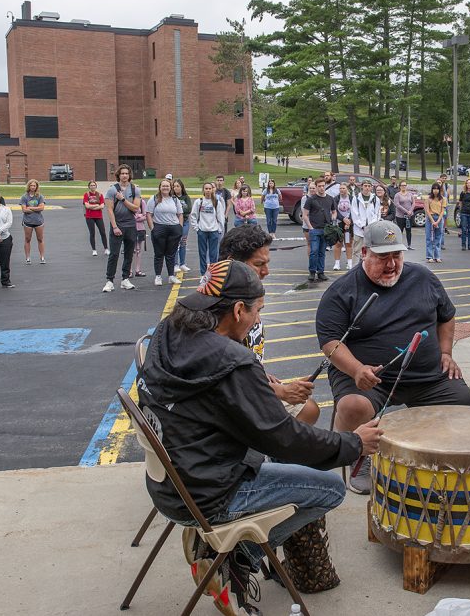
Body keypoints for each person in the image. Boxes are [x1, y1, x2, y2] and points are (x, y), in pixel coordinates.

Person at [138, 259, 383, 614]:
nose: (257, 320)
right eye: (257, 312)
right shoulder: (232, 361)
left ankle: (222, 550)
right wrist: (354, 443)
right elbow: (284, 439)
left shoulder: (167, 331)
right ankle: (233, 555)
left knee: (280, 459)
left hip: (168, 483)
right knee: (330, 490)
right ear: (238, 310)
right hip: (209, 494)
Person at [317, 220, 470, 494]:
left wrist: (446, 352)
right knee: (355, 406)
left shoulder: (423, 278)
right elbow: (330, 343)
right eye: (382, 257)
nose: (391, 264)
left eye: (396, 256)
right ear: (364, 253)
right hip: (370, 379)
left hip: (425, 377)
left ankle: (430, 453)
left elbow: (446, 317)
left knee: (460, 399)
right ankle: (358, 456)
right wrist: (355, 369)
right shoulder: (342, 291)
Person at [220, 225, 320, 425]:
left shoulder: (248, 293)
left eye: (267, 263)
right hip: (230, 406)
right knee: (306, 417)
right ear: (232, 263)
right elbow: (225, 378)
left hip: (251, 384)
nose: (266, 271)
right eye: (258, 264)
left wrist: (260, 373)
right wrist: (281, 391)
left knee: (308, 409)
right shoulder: (219, 308)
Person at [103, 165, 141, 293]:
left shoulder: (135, 189)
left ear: (129, 175)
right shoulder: (112, 190)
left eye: (127, 173)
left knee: (129, 253)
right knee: (114, 254)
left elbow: (135, 208)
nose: (124, 175)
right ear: (118, 175)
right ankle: (109, 281)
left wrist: (123, 199)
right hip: (117, 225)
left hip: (131, 225)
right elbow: (109, 209)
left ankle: (125, 279)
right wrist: (114, 227)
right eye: (122, 173)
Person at [147, 178, 184, 286]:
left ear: (170, 187)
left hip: (174, 228)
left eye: (167, 186)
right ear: (160, 187)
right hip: (159, 228)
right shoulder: (154, 198)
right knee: (159, 254)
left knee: (171, 254)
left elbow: (180, 214)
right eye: (163, 186)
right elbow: (149, 214)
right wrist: (152, 228)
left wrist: (180, 227)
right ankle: (158, 276)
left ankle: (171, 276)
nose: (165, 188)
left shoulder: (175, 200)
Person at [302, 177, 335, 282]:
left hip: (325, 229)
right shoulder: (311, 199)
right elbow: (305, 215)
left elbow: (334, 211)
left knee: (322, 252)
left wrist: (333, 218)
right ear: (315, 187)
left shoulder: (330, 199)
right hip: (315, 229)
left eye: (323, 186)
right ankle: (312, 271)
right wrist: (310, 227)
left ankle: (321, 272)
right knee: (314, 251)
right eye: (319, 186)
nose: (321, 188)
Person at [190, 181, 225, 277]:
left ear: (212, 190)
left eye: (210, 188)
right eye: (206, 188)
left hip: (214, 231)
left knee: (214, 254)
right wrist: (196, 228)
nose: (208, 190)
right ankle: (203, 274)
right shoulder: (199, 202)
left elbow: (220, 217)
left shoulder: (216, 202)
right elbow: (193, 215)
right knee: (202, 253)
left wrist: (219, 229)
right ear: (203, 190)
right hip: (202, 231)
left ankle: (213, 274)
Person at [19, 179, 45, 264]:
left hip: (38, 221)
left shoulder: (40, 196)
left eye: (34, 186)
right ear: (28, 186)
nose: (33, 187)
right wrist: (36, 208)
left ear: (37, 187)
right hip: (28, 222)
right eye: (31, 185)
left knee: (40, 239)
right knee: (27, 239)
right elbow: (24, 210)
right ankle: (28, 258)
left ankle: (42, 257)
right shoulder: (24, 197)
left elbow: (42, 208)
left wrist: (30, 208)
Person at [350, 180, 377, 259]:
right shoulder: (356, 198)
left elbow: (376, 214)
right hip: (359, 230)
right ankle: (355, 270)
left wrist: (370, 226)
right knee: (357, 251)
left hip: (371, 230)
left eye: (369, 186)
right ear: (362, 187)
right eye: (365, 186)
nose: (367, 188)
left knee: (370, 251)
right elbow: (354, 214)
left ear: (371, 188)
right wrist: (362, 226)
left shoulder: (375, 199)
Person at [82, 181, 109, 257]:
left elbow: (102, 206)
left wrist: (92, 206)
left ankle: (106, 249)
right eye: (91, 185)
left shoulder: (100, 195)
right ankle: (94, 250)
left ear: (96, 186)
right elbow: (87, 206)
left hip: (98, 216)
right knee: (92, 233)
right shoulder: (86, 195)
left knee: (103, 232)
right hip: (89, 217)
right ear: (89, 186)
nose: (92, 186)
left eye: (94, 185)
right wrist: (97, 205)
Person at [171, 178, 193, 273]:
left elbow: (188, 210)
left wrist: (179, 211)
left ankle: (182, 264)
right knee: (175, 243)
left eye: (178, 186)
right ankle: (175, 264)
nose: (176, 188)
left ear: (181, 187)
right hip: (174, 223)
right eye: (174, 186)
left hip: (185, 222)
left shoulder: (186, 197)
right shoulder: (172, 198)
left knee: (183, 242)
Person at [332, 185, 353, 271]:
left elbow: (354, 210)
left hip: (349, 223)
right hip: (339, 223)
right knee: (338, 244)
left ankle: (349, 263)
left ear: (347, 189)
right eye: (340, 188)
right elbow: (334, 211)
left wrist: (349, 221)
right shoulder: (336, 198)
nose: (342, 190)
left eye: (343, 188)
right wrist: (343, 219)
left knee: (348, 243)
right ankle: (337, 263)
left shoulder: (352, 198)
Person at [425, 182, 445, 263]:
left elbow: (442, 211)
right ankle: (429, 256)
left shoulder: (442, 199)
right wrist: (433, 221)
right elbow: (427, 210)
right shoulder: (428, 199)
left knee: (438, 237)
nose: (435, 191)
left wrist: (438, 221)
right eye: (434, 189)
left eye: (437, 189)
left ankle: (437, 256)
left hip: (439, 218)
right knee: (429, 238)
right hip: (430, 218)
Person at [393, 180, 415, 249]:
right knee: (400, 230)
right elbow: (397, 205)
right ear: (400, 186)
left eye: (405, 185)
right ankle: (399, 244)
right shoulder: (397, 195)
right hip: (400, 216)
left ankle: (409, 245)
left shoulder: (410, 194)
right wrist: (406, 211)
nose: (404, 187)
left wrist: (410, 211)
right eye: (402, 185)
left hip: (409, 216)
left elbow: (413, 203)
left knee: (409, 230)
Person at [458, 178, 470, 251]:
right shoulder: (463, 193)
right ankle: (463, 245)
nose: (468, 184)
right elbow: (460, 202)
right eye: (467, 183)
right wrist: (461, 210)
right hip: (464, 212)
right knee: (464, 229)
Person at [131, 196, 148, 278]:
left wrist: (136, 217)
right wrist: (139, 216)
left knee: (138, 250)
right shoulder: (128, 201)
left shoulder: (142, 202)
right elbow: (128, 216)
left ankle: (138, 270)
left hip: (140, 229)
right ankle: (129, 271)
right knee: (131, 250)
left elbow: (146, 216)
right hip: (130, 228)